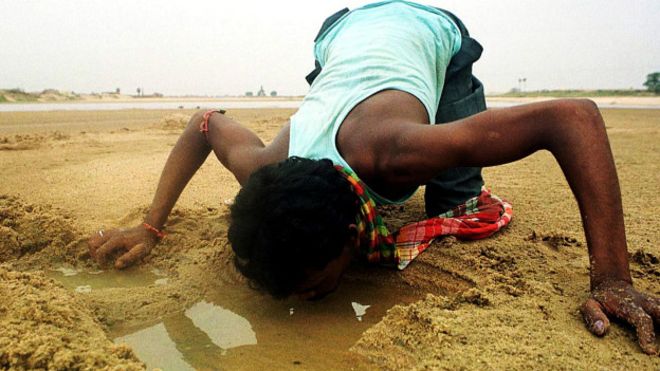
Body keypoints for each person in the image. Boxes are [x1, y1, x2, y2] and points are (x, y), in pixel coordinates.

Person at [88, 1, 659, 355]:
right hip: (338, 34)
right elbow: (204, 122)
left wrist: (611, 277)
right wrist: (150, 226)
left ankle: (457, 146)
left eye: (313, 286)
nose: (299, 302)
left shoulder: (397, 153)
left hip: (430, 29)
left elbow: (573, 116)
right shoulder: (260, 168)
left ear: (353, 232)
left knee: (455, 198)